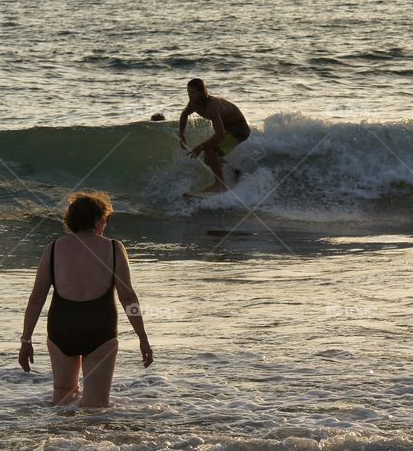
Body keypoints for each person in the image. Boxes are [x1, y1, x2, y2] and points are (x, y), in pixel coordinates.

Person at [18, 191, 153, 407]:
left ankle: (61, 441)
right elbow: (127, 297)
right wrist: (142, 337)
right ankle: (89, 441)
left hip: (62, 328)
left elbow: (36, 299)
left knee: (62, 395)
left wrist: (26, 340)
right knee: (96, 405)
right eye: (105, 220)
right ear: (99, 219)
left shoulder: (53, 249)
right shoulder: (113, 248)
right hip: (100, 329)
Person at [156, 78, 250, 193]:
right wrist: (181, 135)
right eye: (188, 92)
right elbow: (184, 114)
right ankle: (234, 173)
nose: (190, 96)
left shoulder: (212, 106)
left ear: (202, 92)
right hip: (229, 130)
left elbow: (219, 134)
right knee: (209, 158)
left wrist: (200, 147)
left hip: (239, 129)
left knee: (210, 149)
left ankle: (220, 185)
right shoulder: (193, 103)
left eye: (193, 93)